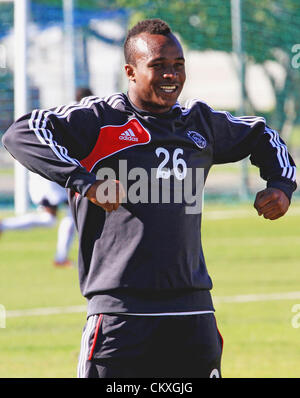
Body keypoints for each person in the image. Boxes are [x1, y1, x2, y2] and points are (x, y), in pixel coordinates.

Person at [2, 19, 297, 378]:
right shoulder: (99, 120)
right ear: (130, 70)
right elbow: (22, 132)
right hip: (119, 315)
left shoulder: (200, 123)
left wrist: (281, 186)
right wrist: (86, 182)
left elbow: (263, 135)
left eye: (178, 65)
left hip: (192, 312)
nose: (170, 75)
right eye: (158, 66)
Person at [0, 87, 94, 267]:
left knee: (51, 218)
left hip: (43, 169)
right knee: (68, 213)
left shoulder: (62, 111)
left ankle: (4, 226)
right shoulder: (84, 115)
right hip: (57, 170)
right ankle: (61, 257)